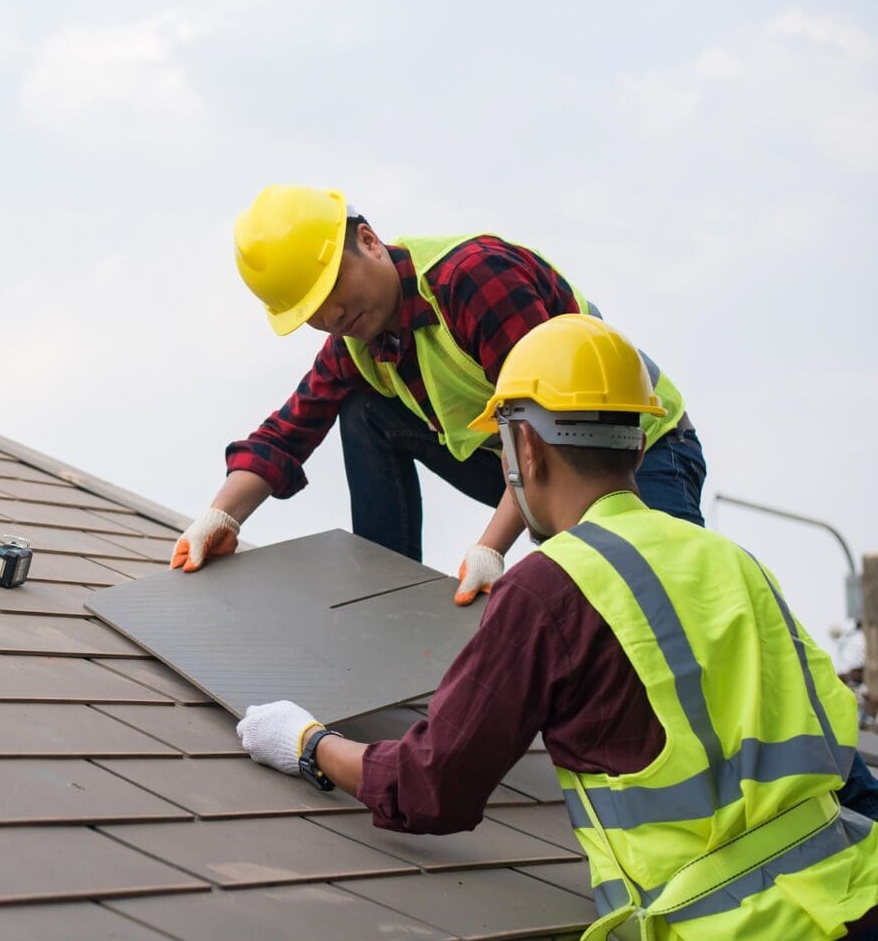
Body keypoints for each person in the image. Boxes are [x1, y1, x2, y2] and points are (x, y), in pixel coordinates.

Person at [234, 314, 878, 941]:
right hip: (853, 888)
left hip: (727, 926)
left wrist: (308, 743)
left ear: (527, 449)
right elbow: (835, 732)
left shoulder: (549, 589)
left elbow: (432, 786)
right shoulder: (732, 560)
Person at [170, 184, 705, 608]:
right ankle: (386, 596)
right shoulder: (354, 341)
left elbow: (544, 421)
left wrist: (490, 549)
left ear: (370, 242)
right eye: (312, 312)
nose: (331, 317)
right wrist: (221, 518)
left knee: (665, 600)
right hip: (531, 466)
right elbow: (286, 435)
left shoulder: (474, 279)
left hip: (633, 450)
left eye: (332, 290)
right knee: (363, 410)